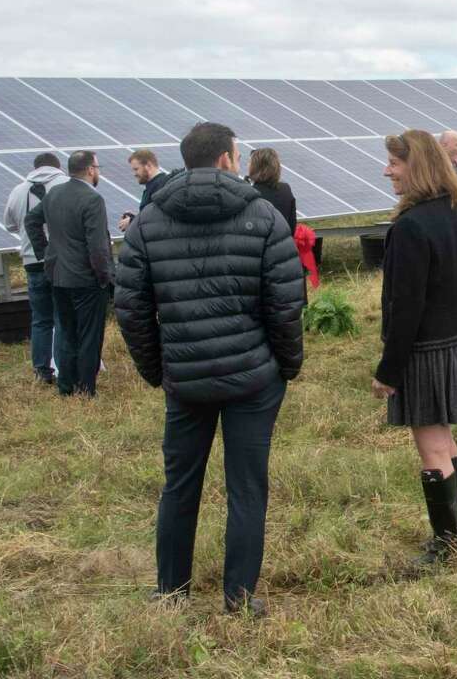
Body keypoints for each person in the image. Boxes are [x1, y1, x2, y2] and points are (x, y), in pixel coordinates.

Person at [114, 122, 304, 616]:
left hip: (186, 379)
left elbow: (131, 307)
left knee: (179, 485)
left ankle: (171, 591)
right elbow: (285, 303)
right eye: (236, 155)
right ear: (224, 159)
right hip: (253, 378)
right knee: (246, 488)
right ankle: (239, 598)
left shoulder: (149, 221)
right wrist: (286, 366)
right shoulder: (263, 216)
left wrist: (160, 369)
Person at [372, 129, 457, 566]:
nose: (388, 171)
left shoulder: (411, 225)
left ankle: (447, 544)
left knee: (432, 444)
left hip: (426, 348)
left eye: (394, 164)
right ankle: (454, 528)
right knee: (445, 438)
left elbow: (406, 308)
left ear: (415, 166)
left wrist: (389, 370)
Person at [24, 150, 112, 397]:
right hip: (86, 278)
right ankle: (86, 388)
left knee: (66, 332)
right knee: (89, 335)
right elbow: (97, 246)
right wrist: (104, 276)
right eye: (97, 167)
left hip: (58, 275)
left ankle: (66, 386)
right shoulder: (92, 199)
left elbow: (31, 220)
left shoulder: (54, 193)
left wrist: (45, 253)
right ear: (90, 170)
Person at [3, 152, 68, 383]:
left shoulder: (18, 190)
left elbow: (10, 224)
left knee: (41, 318)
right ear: (58, 166)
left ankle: (41, 371)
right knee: (63, 317)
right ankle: (63, 370)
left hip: (32, 262)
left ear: (35, 167)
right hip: (61, 261)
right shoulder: (66, 185)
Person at [247, 147, 298, 233]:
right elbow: (292, 225)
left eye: (249, 162)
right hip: (282, 242)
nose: (248, 165)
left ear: (256, 167)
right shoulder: (285, 189)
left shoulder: (250, 193)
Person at [118, 149, 171, 232]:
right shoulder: (155, 185)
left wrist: (133, 221)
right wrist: (135, 218)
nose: (134, 174)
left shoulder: (160, 187)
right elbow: (150, 215)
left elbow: (158, 221)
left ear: (149, 166)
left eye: (136, 169)